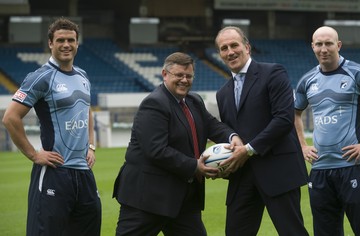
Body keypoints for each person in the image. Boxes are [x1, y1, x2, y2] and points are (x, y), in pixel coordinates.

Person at [112, 52, 242, 236]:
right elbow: (156, 150)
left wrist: (232, 137)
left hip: (183, 198)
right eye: (179, 75)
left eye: (189, 76)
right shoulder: (154, 103)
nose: (184, 80)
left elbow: (212, 125)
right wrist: (194, 166)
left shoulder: (194, 100)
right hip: (148, 198)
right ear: (165, 74)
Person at [294, 26, 360, 236]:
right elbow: (294, 114)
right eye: (319, 44)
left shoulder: (358, 72)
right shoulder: (306, 81)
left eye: (329, 43)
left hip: (352, 167)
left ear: (338, 45)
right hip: (320, 170)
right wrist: (303, 146)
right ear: (312, 46)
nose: (324, 49)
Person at [2, 17, 101, 235]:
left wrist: (91, 146)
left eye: (71, 40)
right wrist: (34, 155)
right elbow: (10, 118)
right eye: (60, 40)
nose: (66, 44)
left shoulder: (83, 75)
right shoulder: (40, 78)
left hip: (84, 173)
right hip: (55, 172)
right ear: (50, 43)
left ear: (77, 43)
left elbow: (87, 110)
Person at [214, 26, 309, 236]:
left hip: (278, 170)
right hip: (242, 175)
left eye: (234, 45)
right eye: (224, 48)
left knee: (292, 232)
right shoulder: (222, 94)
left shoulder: (273, 72)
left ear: (247, 47)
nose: (230, 51)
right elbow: (232, 130)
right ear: (220, 54)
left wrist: (248, 149)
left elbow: (284, 119)